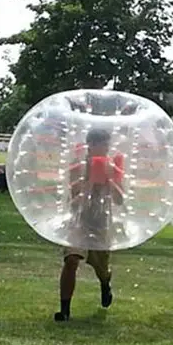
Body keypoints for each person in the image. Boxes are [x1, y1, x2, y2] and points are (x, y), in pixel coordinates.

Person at [54, 128, 124, 321]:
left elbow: (119, 200)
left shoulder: (112, 167)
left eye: (107, 146)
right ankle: (65, 310)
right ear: (91, 146)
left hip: (101, 223)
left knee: (101, 267)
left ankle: (105, 283)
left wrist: (110, 180)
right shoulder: (77, 167)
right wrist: (90, 182)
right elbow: (74, 201)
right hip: (79, 221)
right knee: (71, 260)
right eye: (101, 146)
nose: (105, 150)